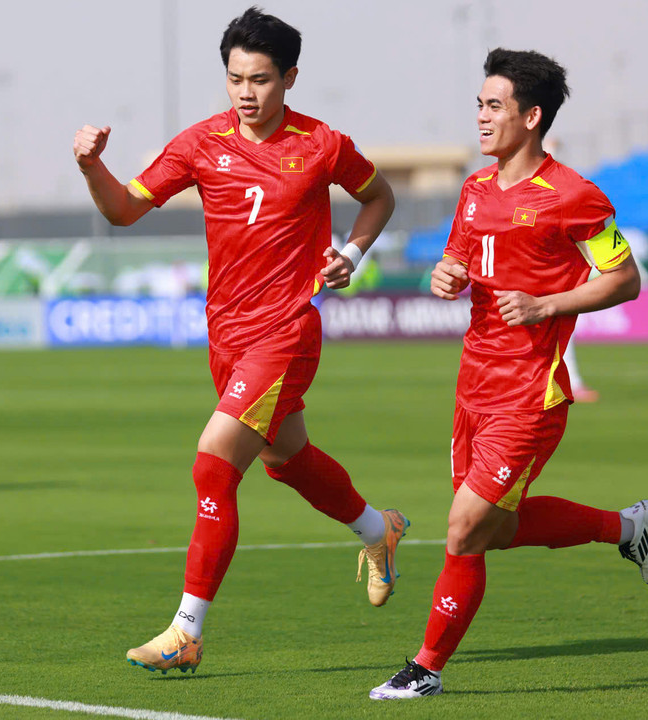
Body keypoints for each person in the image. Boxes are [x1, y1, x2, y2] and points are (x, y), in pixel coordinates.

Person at [73, 6, 407, 676]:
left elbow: (380, 198)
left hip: (288, 330)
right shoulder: (200, 143)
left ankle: (186, 632)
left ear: (290, 78)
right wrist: (91, 166)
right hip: (225, 335)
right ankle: (380, 529)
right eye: (235, 78)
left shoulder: (323, 144)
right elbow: (123, 210)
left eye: (260, 78)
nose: (246, 92)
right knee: (288, 459)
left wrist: (350, 254)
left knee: (214, 463)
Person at [369, 49, 648, 700]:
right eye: (479, 104)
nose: (481, 116)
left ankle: (425, 669)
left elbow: (625, 279)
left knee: (464, 529)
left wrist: (546, 304)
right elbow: (457, 259)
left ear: (531, 117)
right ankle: (628, 528)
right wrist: (445, 275)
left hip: (531, 392)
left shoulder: (574, 195)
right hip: (472, 387)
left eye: (494, 106)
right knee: (494, 531)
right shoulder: (475, 189)